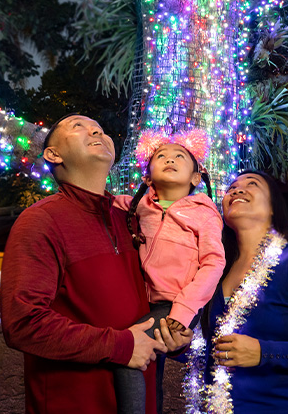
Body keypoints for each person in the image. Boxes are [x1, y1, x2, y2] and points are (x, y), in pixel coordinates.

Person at [0, 114, 191, 414]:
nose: (96, 131)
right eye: (79, 126)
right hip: (75, 403)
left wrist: (174, 337)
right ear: (53, 154)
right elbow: (23, 323)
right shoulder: (40, 222)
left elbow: (157, 299)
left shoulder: (133, 219)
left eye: (100, 129)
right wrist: (121, 346)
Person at [184, 170, 288, 413]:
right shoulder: (213, 271)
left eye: (253, 184)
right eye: (231, 188)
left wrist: (264, 352)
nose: (237, 190)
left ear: (274, 208)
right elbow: (208, 349)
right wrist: (179, 346)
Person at [114, 129, 226, 414]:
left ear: (196, 178)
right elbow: (105, 203)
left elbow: (214, 263)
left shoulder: (204, 212)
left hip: (175, 305)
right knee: (152, 373)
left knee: (128, 352)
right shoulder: (140, 207)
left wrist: (183, 311)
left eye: (180, 156)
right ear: (147, 178)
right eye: (161, 156)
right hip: (143, 301)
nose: (170, 159)